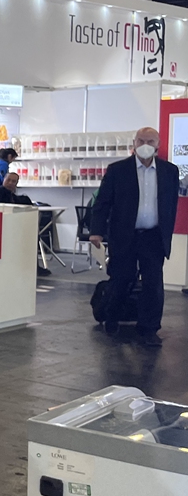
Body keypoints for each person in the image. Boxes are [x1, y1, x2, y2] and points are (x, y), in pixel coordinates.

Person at [89, 127, 178, 347]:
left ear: (158, 144)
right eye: (141, 140)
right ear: (134, 143)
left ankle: (149, 327)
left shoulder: (169, 171)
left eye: (150, 141)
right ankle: (112, 317)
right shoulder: (117, 170)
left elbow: (169, 204)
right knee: (122, 278)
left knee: (153, 283)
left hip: (153, 236)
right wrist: (96, 231)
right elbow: (102, 203)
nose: (145, 144)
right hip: (124, 234)